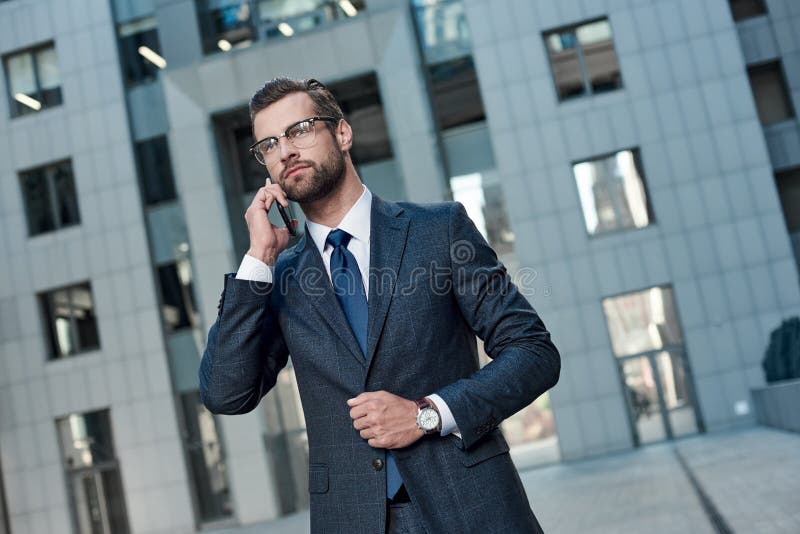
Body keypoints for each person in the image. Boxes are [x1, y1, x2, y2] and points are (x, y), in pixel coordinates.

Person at [199, 77, 560, 534]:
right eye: (269, 144)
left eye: (300, 130)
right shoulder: (279, 277)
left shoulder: (439, 231)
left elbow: (533, 353)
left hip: (470, 508)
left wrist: (426, 414)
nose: (285, 150)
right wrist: (258, 260)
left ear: (343, 133)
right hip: (352, 519)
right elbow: (225, 393)